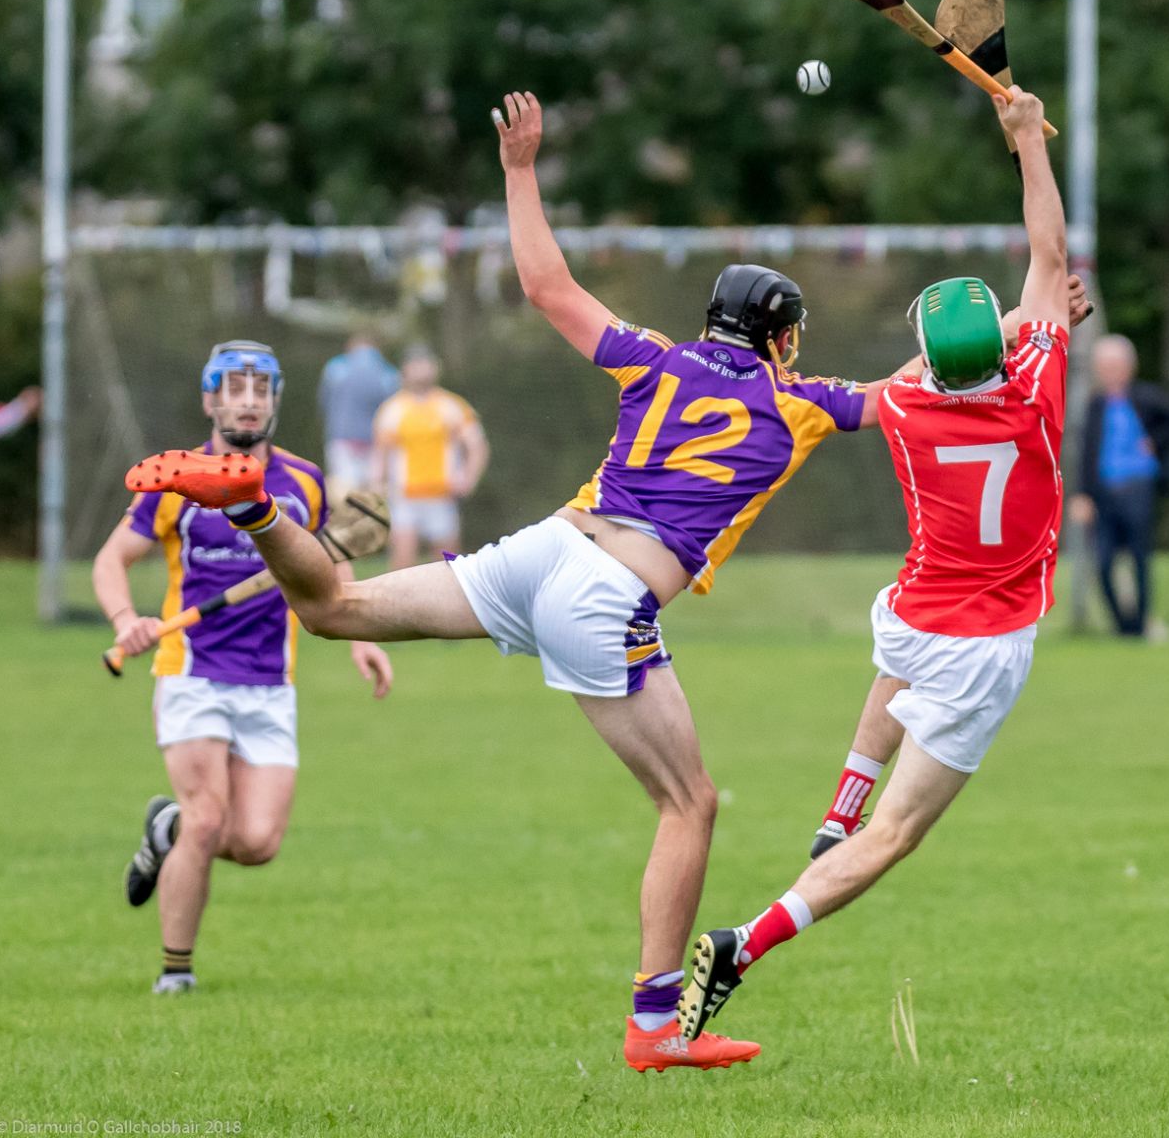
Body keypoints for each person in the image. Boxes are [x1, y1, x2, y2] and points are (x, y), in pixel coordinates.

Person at [122, 90, 930, 1070]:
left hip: (541, 548)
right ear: (778, 335)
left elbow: (546, 287)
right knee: (691, 803)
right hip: (605, 596)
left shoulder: (654, 360)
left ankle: (251, 506)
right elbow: (918, 389)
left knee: (335, 606)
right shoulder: (802, 399)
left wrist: (518, 168)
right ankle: (651, 1023)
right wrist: (1020, 329)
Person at [677, 87, 1082, 1044]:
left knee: (893, 659)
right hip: (985, 644)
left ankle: (836, 809)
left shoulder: (902, 406)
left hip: (916, 607)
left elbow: (851, 385)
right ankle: (746, 941)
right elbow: (1050, 258)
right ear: (1007, 343)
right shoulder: (1037, 387)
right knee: (899, 837)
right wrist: (1026, 138)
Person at [92, 341, 394, 994]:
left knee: (257, 842)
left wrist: (358, 634)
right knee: (207, 818)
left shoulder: (303, 481)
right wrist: (125, 621)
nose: (248, 402)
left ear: (275, 401)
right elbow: (111, 561)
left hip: (269, 679)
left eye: (261, 391)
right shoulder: (178, 477)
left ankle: (163, 827)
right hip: (191, 671)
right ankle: (177, 973)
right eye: (234, 389)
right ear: (211, 399)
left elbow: (326, 559)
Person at [1069, 335, 1169, 638]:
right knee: (1103, 560)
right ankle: (1122, 625)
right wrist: (1082, 494)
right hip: (1103, 492)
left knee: (1139, 557)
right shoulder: (1095, 405)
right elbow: (1086, 452)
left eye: (1115, 365)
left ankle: (1140, 624)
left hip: (1138, 487)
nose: (1109, 371)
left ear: (1128, 367)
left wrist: (1155, 443)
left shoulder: (1145, 397)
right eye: (1104, 365)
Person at [371, 346, 490, 566]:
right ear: (405, 370)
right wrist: (377, 486)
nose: (421, 369)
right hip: (405, 497)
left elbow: (477, 446)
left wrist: (468, 477)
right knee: (401, 566)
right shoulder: (392, 409)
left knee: (448, 566)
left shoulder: (452, 406)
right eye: (415, 364)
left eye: (426, 363)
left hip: (441, 496)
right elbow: (380, 453)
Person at [317, 333, 400, 504]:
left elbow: (324, 402)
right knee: (375, 499)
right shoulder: (389, 373)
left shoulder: (335, 368)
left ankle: (345, 530)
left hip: (342, 439)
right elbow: (394, 413)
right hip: (377, 444)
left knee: (344, 497)